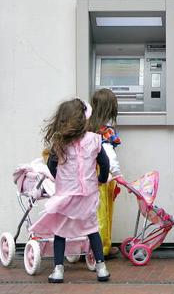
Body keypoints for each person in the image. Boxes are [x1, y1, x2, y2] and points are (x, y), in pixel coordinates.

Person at [30, 98, 111, 282]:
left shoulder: (59, 144)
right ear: (84, 119)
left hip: (65, 196)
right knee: (92, 229)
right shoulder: (94, 139)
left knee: (60, 232)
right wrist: (101, 179)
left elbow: (51, 167)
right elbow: (104, 164)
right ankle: (101, 268)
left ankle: (58, 270)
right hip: (88, 195)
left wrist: (59, 180)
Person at [88, 88, 124, 258]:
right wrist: (118, 174)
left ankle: (85, 247)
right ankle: (101, 249)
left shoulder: (88, 126)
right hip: (103, 176)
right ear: (110, 109)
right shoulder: (105, 131)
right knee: (102, 213)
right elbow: (109, 155)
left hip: (87, 175)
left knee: (88, 213)